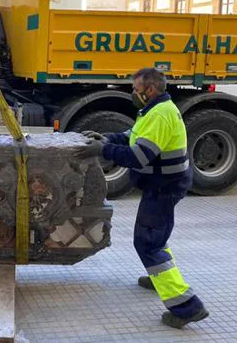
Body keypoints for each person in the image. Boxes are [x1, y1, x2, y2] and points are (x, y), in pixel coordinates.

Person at [77, 67, 209, 329]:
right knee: (156, 235)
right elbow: (133, 137)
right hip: (163, 184)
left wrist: (103, 150)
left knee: (148, 243)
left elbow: (138, 156)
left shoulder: (160, 114)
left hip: (164, 186)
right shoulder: (153, 110)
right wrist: (108, 138)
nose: (133, 93)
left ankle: (186, 307)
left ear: (149, 90)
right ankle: (159, 276)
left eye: (136, 89)